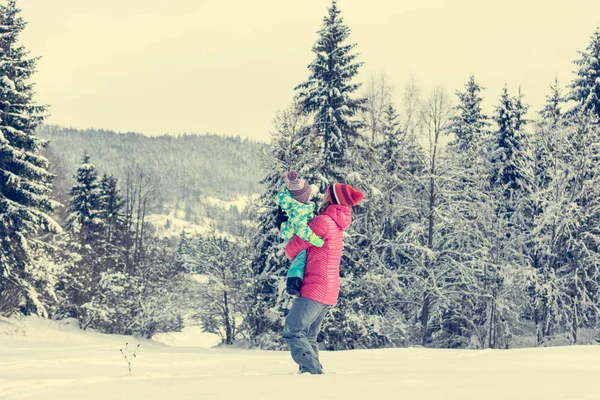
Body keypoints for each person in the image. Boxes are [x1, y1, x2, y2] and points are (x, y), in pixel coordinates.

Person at [282, 183, 364, 374]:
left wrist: (296, 254)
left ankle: (313, 371)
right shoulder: (337, 225)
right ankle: (311, 377)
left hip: (315, 287)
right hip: (329, 290)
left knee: (293, 331)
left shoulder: (323, 222)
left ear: (332, 198)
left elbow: (293, 247)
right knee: (309, 336)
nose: (323, 197)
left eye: (327, 194)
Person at [275, 171, 324, 296]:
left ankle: (296, 280)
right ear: (301, 198)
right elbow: (302, 229)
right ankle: (293, 282)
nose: (310, 198)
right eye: (308, 196)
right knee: (301, 257)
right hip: (294, 236)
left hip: (291, 233)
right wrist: (314, 239)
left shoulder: (295, 206)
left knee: (302, 258)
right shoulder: (299, 211)